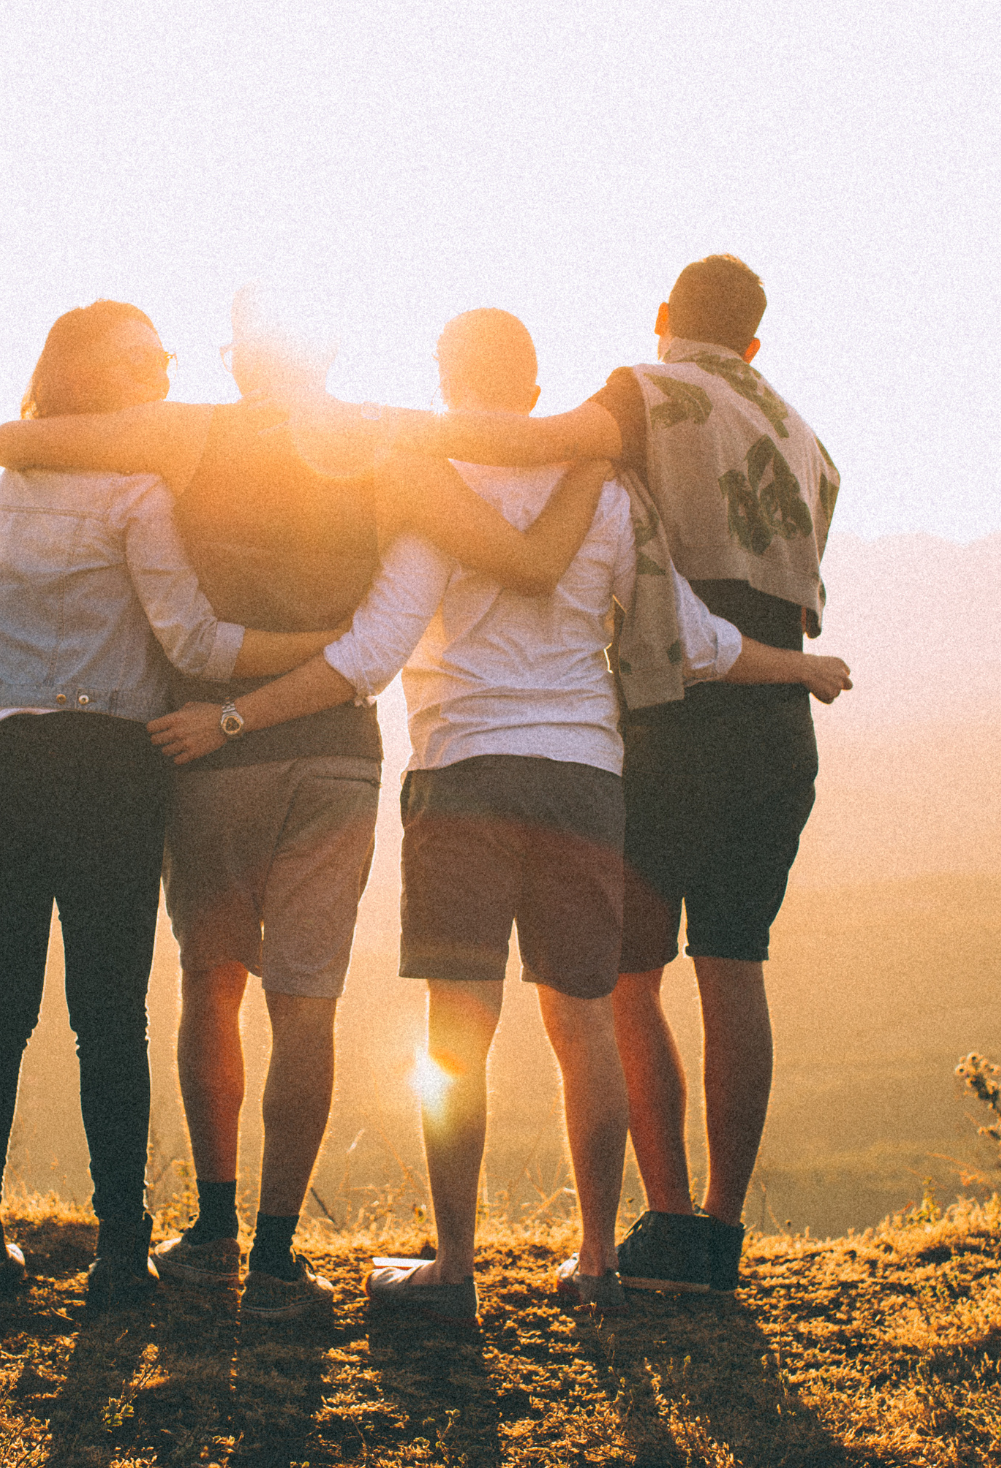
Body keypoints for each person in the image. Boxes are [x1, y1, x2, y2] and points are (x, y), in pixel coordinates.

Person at [149, 307, 851, 1323]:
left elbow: (369, 655)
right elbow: (693, 641)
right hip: (583, 780)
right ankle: (599, 1261)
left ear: (444, 381)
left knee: (456, 1033)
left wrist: (231, 716)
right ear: (532, 390)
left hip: (462, 774)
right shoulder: (607, 493)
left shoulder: (433, 489)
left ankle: (453, 1268)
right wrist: (802, 667)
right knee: (582, 1026)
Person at [0, 285, 609, 1322]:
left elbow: (18, 441)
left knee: (210, 982)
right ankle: (278, 1256)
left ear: (239, 360)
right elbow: (525, 560)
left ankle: (213, 1228)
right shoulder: (384, 452)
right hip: (333, 754)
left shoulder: (185, 436)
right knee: (305, 1001)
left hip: (208, 747)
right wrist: (592, 455)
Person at [0, 300, 339, 1311]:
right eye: (144, 359)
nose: (162, 372)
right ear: (96, 376)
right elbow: (197, 647)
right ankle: (121, 1251)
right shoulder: (135, 493)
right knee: (106, 1015)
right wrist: (323, 650)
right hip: (105, 765)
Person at [579, 255, 842, 1295]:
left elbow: (567, 463)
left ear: (660, 318)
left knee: (629, 977)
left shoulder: (638, 391)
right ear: (754, 341)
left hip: (668, 719)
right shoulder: (806, 437)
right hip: (775, 726)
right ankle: (723, 1234)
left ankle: (669, 1220)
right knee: (733, 965)